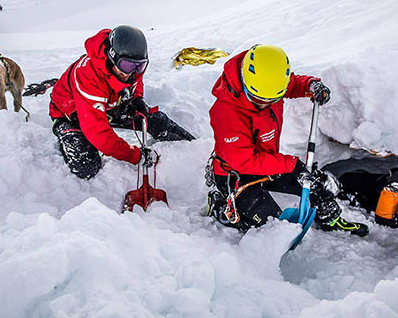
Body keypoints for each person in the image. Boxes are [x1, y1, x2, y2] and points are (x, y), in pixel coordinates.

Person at [205, 44, 368, 236]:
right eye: (257, 99)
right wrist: (290, 165)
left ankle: (330, 219)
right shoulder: (226, 112)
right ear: (244, 80)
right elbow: (244, 160)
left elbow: (293, 84)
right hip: (236, 174)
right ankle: (220, 206)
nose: (265, 104)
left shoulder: (270, 82)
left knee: (313, 182)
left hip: (267, 163)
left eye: (273, 99)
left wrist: (310, 85)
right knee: (270, 226)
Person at [49, 25, 195, 179]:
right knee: (86, 167)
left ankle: (195, 149)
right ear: (112, 56)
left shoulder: (129, 69)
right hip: (73, 114)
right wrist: (135, 155)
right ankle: (65, 133)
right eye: (127, 65)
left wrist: (137, 98)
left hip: (110, 105)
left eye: (140, 66)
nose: (132, 72)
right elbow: (99, 134)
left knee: (157, 121)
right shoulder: (88, 76)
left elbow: (136, 80)